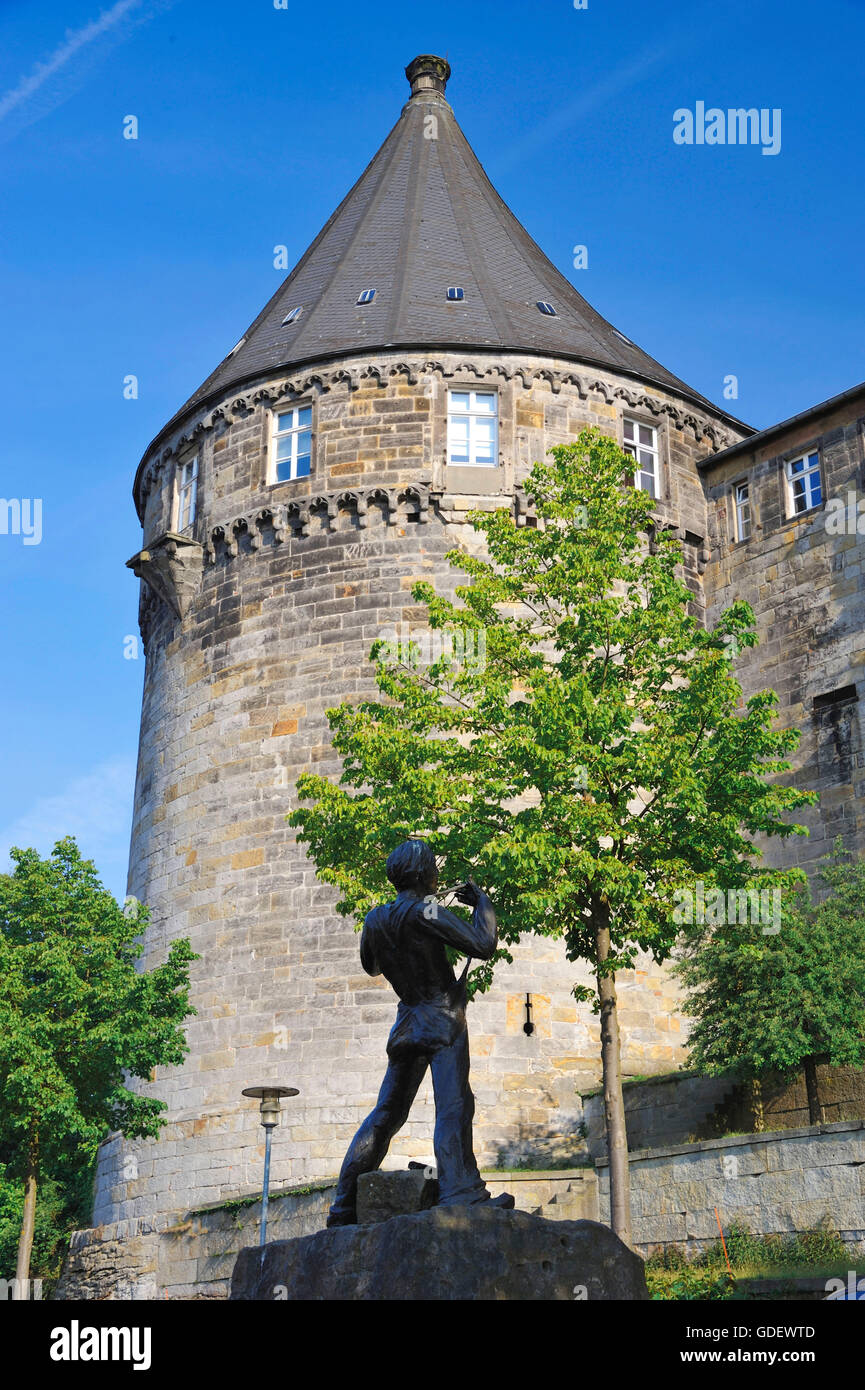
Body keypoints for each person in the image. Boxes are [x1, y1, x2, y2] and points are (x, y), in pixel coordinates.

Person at [327, 839, 514, 1226]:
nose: (437, 876)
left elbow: (372, 966)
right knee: (454, 1106)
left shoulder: (375, 918)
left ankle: (343, 1207)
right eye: (433, 869)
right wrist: (482, 904)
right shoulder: (427, 909)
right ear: (424, 874)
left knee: (385, 1116)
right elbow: (483, 943)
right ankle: (460, 1194)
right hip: (442, 1020)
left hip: (408, 1021)